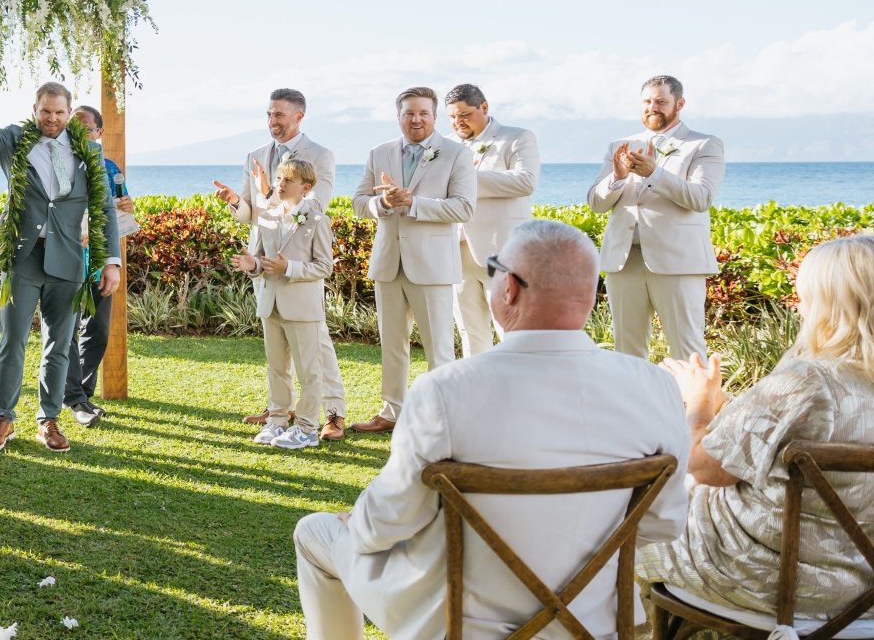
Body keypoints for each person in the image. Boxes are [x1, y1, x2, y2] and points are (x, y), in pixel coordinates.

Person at [293, 220, 690, 638]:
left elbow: (381, 528)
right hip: (593, 625)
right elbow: (662, 524)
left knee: (316, 532)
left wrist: (355, 520)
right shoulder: (655, 387)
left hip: (459, 625)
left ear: (510, 289)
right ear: (589, 294)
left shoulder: (444, 390)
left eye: (494, 268)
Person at [639, 234, 874, 621]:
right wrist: (722, 403)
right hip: (864, 583)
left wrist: (698, 401)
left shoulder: (810, 380)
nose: (799, 306)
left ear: (828, 304)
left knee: (640, 503)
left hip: (773, 577)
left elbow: (708, 468)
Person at [0, 71, 123, 454]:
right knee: (12, 339)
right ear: (34, 110)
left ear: (69, 113)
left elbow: (103, 208)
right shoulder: (13, 142)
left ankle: (49, 420)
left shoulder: (90, 152)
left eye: (59, 112)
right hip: (22, 255)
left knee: (59, 345)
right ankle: (3, 419)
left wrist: (111, 261)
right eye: (46, 111)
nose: (52, 118)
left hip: (68, 258)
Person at [213, 88, 346, 441]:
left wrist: (270, 194)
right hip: (264, 257)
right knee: (278, 345)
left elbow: (316, 207)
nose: (273, 121)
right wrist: (234, 202)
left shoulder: (320, 155)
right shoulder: (255, 155)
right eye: (270, 114)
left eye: (280, 115)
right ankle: (280, 412)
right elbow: (250, 212)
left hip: (296, 262)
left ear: (299, 116)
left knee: (315, 345)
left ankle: (332, 412)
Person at [348, 87, 477, 435]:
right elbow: (359, 202)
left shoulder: (455, 153)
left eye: (423, 113)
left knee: (438, 346)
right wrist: (384, 204)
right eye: (409, 113)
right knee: (392, 344)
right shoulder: (379, 153)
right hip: (389, 262)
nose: (415, 119)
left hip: (433, 264)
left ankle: (443, 416)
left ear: (434, 117)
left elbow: (464, 207)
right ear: (399, 116)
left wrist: (414, 202)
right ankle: (392, 411)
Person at [587, 75, 725, 361]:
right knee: (627, 351)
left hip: (678, 261)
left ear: (680, 103)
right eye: (648, 102)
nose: (653, 108)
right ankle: (633, 406)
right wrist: (617, 177)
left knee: (687, 350)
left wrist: (654, 173)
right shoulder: (620, 144)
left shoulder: (704, 145)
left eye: (661, 101)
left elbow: (700, 198)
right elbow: (596, 204)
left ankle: (693, 407)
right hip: (624, 259)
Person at [235, 159, 340, 451]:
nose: (279, 184)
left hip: (302, 307)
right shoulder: (267, 218)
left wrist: (289, 268)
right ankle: (278, 420)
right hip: (271, 304)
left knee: (309, 371)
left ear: (305, 188)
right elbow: (260, 260)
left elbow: (324, 266)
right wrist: (250, 264)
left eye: (287, 181)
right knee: (277, 368)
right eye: (279, 178)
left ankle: (306, 428)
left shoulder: (317, 219)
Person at [442, 84, 539, 357]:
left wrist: (467, 179)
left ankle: (518, 390)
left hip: (502, 250)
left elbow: (526, 181)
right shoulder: (445, 146)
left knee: (510, 326)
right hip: (456, 249)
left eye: (465, 114)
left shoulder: (517, 137)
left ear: (484, 108)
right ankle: (478, 390)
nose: (458, 122)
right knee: (469, 329)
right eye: (452, 117)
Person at [65, 104, 132, 429]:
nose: (80, 135)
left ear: (99, 133)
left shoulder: (109, 168)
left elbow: (122, 217)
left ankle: (83, 394)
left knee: (98, 329)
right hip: (65, 260)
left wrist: (126, 208)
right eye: (73, 129)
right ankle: (74, 398)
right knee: (65, 331)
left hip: (99, 262)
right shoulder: (59, 163)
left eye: (86, 129)